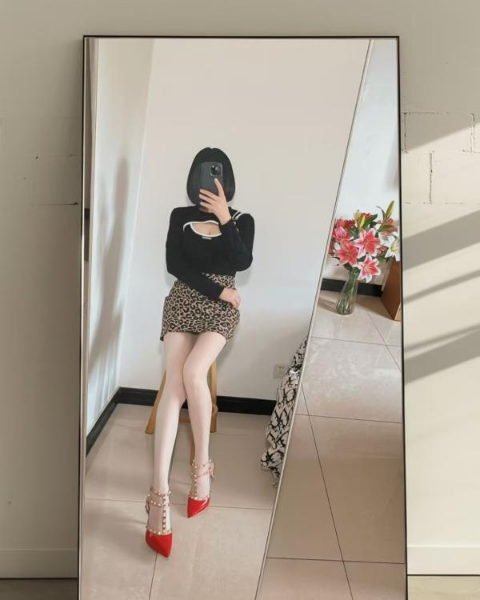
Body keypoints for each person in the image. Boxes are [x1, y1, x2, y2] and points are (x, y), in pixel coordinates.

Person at [144, 147, 255, 557]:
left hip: (221, 310)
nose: (211, 180)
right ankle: (159, 492)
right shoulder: (179, 215)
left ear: (228, 179)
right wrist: (218, 290)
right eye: (206, 173)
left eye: (218, 174)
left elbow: (241, 261)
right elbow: (175, 265)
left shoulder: (243, 220)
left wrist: (226, 218)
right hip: (185, 300)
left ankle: (201, 470)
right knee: (176, 385)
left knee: (194, 373)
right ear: (195, 178)